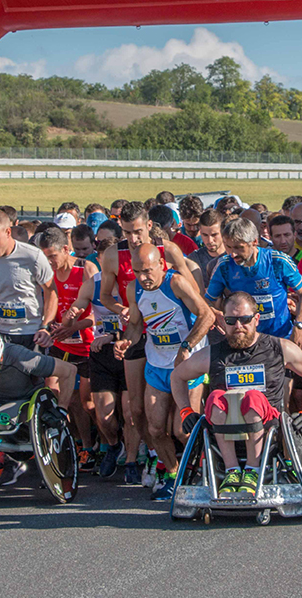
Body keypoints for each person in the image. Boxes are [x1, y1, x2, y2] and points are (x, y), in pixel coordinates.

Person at [173, 291, 302, 495]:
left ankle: (253, 470)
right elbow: (177, 376)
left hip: (267, 425)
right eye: (231, 321)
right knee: (216, 397)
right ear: (223, 322)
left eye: (244, 320)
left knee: (252, 398)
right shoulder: (212, 353)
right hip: (224, 423)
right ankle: (231, 469)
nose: (238, 327)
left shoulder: (279, 348)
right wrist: (185, 411)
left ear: (256, 319)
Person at [99, 201, 199, 485]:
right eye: (128, 232)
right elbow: (106, 296)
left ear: (150, 227)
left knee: (175, 417)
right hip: (137, 328)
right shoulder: (112, 255)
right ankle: (155, 453)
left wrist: (203, 323)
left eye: (138, 231)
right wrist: (123, 311)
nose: (133, 239)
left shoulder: (167, 250)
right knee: (137, 409)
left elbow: (193, 292)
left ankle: (182, 461)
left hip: (172, 332)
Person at [114, 244, 215, 500]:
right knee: (155, 428)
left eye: (148, 271)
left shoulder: (177, 283)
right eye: (138, 272)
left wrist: (187, 346)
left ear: (162, 265)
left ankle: (205, 468)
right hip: (157, 364)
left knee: (183, 430)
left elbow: (206, 315)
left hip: (186, 364)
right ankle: (172, 474)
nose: (143, 278)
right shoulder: (134, 288)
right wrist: (126, 341)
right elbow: (136, 326)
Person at [64, 237, 138, 482]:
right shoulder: (94, 283)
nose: (108, 268)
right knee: (104, 416)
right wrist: (72, 312)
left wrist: (112, 336)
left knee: (130, 413)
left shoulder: (133, 283)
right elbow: (80, 303)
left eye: (113, 263)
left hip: (129, 349)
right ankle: (114, 445)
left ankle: (131, 461)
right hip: (102, 355)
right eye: (104, 262)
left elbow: (142, 323)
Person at [37, 227, 100, 473]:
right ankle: (72, 442)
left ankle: (97, 444)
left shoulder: (86, 270)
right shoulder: (48, 273)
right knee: (54, 394)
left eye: (52, 256)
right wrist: (47, 326)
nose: (49, 261)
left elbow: (98, 314)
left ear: (66, 249)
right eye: (45, 257)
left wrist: (74, 325)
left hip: (85, 345)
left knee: (85, 402)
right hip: (59, 343)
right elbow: (48, 303)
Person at [206, 218, 302, 348]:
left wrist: (299, 327)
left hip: (281, 338)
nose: (233, 254)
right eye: (228, 247)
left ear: (254, 242)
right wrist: (214, 311)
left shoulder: (277, 261)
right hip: (245, 342)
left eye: (239, 247)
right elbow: (209, 300)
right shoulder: (224, 266)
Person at [0, 209, 57, 349]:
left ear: (8, 232)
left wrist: (45, 326)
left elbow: (51, 292)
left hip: (30, 334)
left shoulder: (33, 256)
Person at [187, 209, 224, 290]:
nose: (210, 240)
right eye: (205, 235)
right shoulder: (194, 259)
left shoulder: (234, 256)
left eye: (214, 235)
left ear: (223, 232)